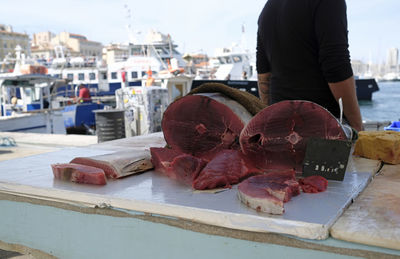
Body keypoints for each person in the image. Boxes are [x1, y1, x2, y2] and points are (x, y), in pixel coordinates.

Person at [256, 0, 363, 131]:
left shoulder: (267, 9)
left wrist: (270, 119)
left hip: (278, 126)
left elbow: (263, 73)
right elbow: (336, 65)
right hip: (320, 129)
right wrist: (357, 126)